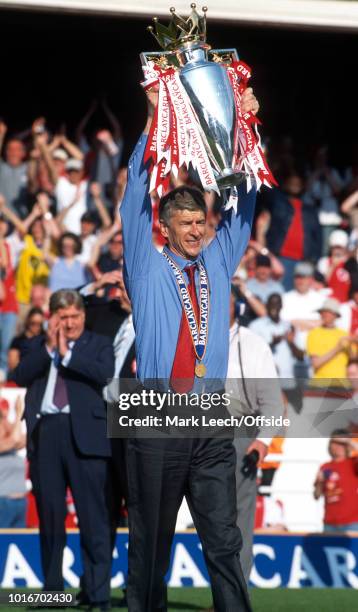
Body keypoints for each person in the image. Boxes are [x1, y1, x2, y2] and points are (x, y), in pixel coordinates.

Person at [120, 82, 260, 612]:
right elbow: (134, 196)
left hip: (209, 415)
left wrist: (248, 127)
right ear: (166, 226)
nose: (197, 229)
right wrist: (153, 120)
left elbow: (245, 202)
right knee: (151, 545)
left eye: (201, 220)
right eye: (186, 222)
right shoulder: (146, 264)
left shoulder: (220, 263)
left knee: (224, 542)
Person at [9, 289, 114, 608]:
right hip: (46, 436)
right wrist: (50, 348)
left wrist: (67, 354)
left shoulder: (99, 344)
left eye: (74, 317)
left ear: (83, 315)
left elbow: (103, 373)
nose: (68, 323)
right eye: (62, 317)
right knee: (50, 518)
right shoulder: (39, 346)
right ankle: (53, 591)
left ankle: (97, 595)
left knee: (93, 519)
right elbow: (20, 375)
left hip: (87, 437)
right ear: (54, 317)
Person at [226, 286, 283, 582]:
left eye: (227, 299)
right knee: (209, 523)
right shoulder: (187, 339)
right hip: (192, 432)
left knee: (238, 518)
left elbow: (273, 404)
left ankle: (235, 597)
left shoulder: (253, 344)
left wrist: (261, 441)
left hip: (238, 436)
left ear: (238, 308)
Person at [261, 172, 322, 289]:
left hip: (304, 261)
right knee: (280, 293)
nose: (295, 185)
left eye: (298, 183)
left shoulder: (311, 209)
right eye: (292, 182)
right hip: (281, 259)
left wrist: (314, 260)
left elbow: (317, 237)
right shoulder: (278, 202)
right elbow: (267, 188)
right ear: (285, 185)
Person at [314, 429, 358, 532]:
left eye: (341, 443)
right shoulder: (325, 466)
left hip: (352, 523)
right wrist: (319, 483)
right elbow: (316, 495)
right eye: (334, 443)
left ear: (347, 446)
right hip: (330, 523)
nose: (337, 447)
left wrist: (350, 441)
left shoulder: (353, 463)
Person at [0, 374, 27, 527]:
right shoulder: (5, 443)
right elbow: (15, 440)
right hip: (3, 502)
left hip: (19, 502)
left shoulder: (10, 437)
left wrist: (6, 418)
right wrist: (17, 414)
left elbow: (23, 440)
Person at [306, 298, 351, 384]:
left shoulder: (344, 334)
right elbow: (315, 363)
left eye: (327, 312)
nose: (323, 314)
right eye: (322, 312)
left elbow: (353, 359)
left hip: (341, 385)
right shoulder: (314, 333)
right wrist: (338, 348)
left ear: (335, 315)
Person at [0, 121, 29, 217]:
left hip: (22, 222)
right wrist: (1, 134)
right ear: (6, 152)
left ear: (23, 153)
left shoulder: (28, 169)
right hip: (2, 221)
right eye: (10, 149)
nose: (13, 153)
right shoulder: (2, 168)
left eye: (17, 149)